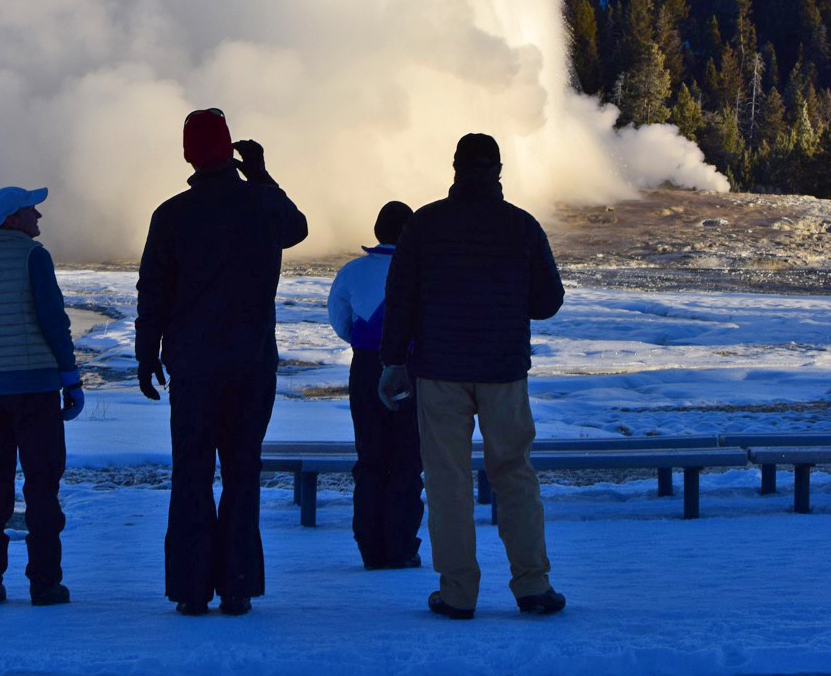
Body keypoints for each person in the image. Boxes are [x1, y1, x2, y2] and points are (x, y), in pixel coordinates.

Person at [378, 133, 566, 619]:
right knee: (515, 474)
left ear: (456, 167)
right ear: (498, 170)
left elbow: (399, 300)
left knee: (447, 481)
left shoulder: (424, 224)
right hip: (503, 369)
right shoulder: (521, 226)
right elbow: (547, 303)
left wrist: (393, 360)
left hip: (439, 370)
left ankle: (458, 593)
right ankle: (533, 585)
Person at [136, 108, 308, 616]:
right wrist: (260, 173)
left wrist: (147, 353)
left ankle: (191, 589)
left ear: (189, 154)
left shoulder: (171, 214)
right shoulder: (259, 202)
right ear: (231, 149)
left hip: (191, 366)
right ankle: (236, 586)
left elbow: (153, 290)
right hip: (251, 363)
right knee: (241, 471)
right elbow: (296, 228)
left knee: (191, 472)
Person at [0, 185, 85, 607]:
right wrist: (70, 378)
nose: (39, 217)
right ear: (13, 218)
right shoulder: (34, 257)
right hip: (33, 387)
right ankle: (45, 583)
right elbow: (54, 321)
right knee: (42, 484)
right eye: (32, 210)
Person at [327, 200, 423, 570]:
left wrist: (365, 344)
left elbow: (340, 322)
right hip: (413, 369)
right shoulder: (421, 271)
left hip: (366, 367)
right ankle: (400, 546)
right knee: (406, 458)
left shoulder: (352, 271)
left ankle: (370, 545)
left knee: (370, 457)